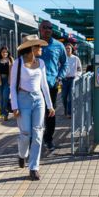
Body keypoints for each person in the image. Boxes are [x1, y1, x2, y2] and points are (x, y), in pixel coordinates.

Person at [10, 35, 55, 181]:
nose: (41, 49)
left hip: (38, 100)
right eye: (38, 46)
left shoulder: (41, 63)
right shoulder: (18, 63)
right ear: (31, 48)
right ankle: (22, 155)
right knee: (25, 134)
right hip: (23, 99)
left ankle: (34, 167)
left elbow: (44, 85)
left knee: (37, 133)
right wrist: (14, 106)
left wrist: (50, 105)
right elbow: (12, 86)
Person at [38, 20, 67, 152]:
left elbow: (65, 64)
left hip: (51, 85)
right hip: (35, 87)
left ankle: (48, 139)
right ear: (40, 29)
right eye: (45, 27)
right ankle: (35, 139)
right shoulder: (34, 45)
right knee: (36, 113)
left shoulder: (59, 46)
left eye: (50, 28)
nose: (48, 30)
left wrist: (59, 77)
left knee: (50, 113)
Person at [0, 46, 14, 121]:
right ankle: (2, 113)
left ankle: (5, 114)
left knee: (5, 97)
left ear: (8, 53)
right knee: (1, 98)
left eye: (6, 52)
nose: (5, 53)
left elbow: (14, 70)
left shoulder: (11, 59)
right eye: (3, 52)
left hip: (8, 81)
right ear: (0, 53)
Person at [62, 43, 82, 118]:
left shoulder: (76, 58)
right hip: (64, 80)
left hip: (72, 79)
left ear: (72, 50)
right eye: (66, 48)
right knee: (64, 96)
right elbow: (59, 68)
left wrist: (77, 76)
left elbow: (79, 69)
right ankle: (65, 109)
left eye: (69, 48)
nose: (67, 50)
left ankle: (69, 113)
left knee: (70, 97)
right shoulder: (62, 58)